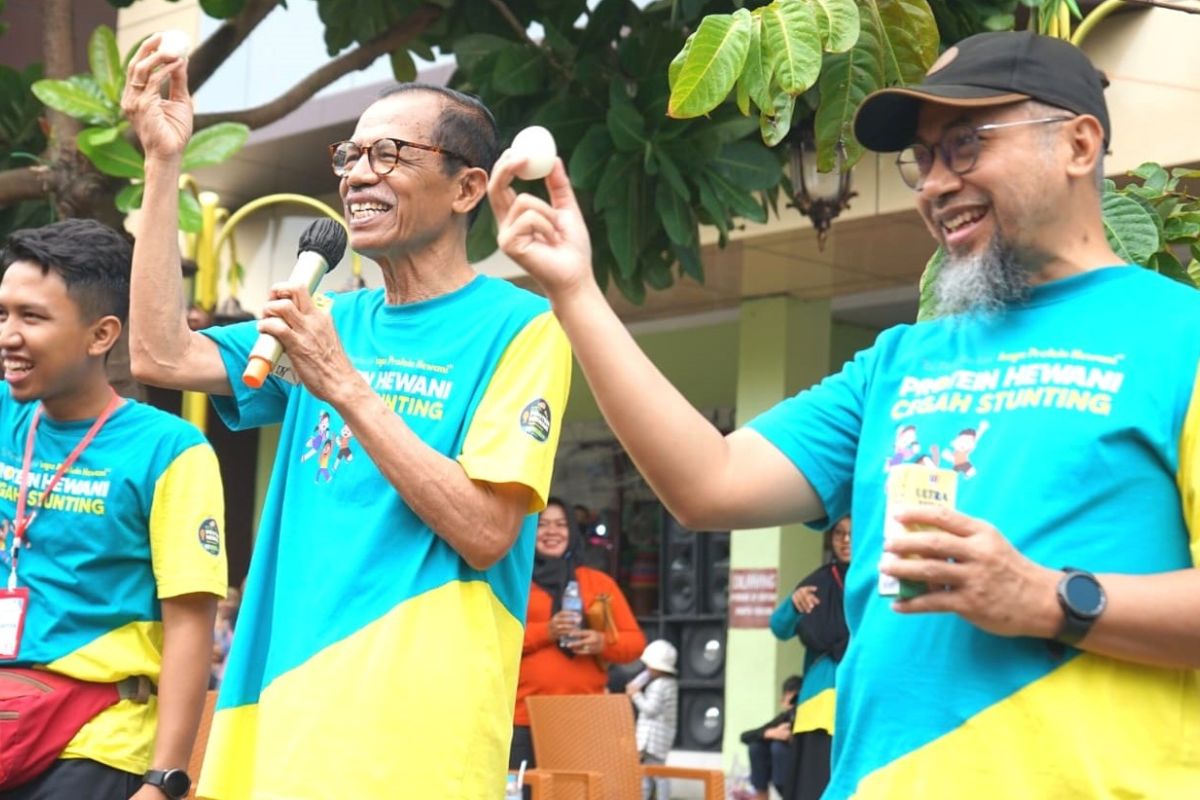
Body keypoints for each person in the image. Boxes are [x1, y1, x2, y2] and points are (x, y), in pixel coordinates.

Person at [489, 30, 1200, 797]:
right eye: (922, 159)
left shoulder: (1179, 337)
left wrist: (1047, 598)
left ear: (1079, 143)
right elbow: (710, 482)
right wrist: (577, 293)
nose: (932, 183)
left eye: (965, 145)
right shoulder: (898, 363)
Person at [123, 35, 572, 799]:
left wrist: (345, 385)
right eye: (350, 155)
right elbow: (160, 357)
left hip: (415, 735)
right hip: (278, 710)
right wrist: (163, 163)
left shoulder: (522, 328)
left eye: (389, 154)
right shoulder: (325, 317)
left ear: (466, 189)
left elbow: (487, 530)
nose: (359, 174)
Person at [0, 219, 226, 800]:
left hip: (97, 736)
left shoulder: (171, 450)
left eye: (32, 317)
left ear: (101, 335)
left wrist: (165, 780)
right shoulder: (6, 412)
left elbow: (190, 620)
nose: (9, 335)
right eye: (3, 315)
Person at [510, 497, 645, 770]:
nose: (552, 532)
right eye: (542, 524)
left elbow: (635, 643)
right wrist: (545, 631)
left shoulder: (597, 582)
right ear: (527, 531)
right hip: (523, 718)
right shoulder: (513, 581)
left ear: (572, 531)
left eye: (561, 525)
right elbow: (494, 641)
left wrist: (602, 642)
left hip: (582, 717)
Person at [768, 518, 850, 799]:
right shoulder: (819, 581)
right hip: (820, 704)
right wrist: (793, 603)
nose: (845, 540)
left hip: (862, 699)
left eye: (853, 533)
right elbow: (780, 627)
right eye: (839, 533)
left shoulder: (880, 581)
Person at [626, 639, 679, 800]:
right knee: (648, 774)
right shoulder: (670, 683)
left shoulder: (658, 685)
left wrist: (635, 693)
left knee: (656, 775)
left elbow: (650, 709)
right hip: (659, 738)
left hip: (652, 740)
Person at [738, 674, 802, 800]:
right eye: (790, 701)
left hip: (800, 775)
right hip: (781, 774)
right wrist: (770, 733)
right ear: (783, 702)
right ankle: (761, 796)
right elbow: (745, 736)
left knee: (778, 748)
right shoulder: (785, 719)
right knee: (756, 747)